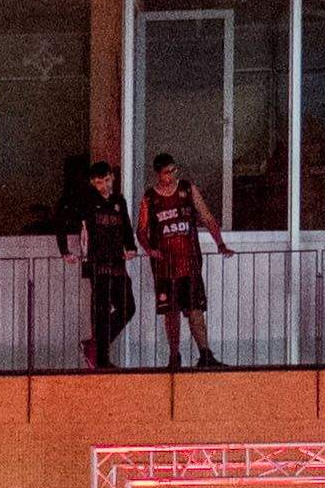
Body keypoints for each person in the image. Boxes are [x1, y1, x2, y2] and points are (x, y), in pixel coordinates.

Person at [141, 153, 227, 369]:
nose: (170, 176)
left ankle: (205, 353)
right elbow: (141, 230)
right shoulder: (150, 198)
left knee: (195, 309)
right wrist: (150, 250)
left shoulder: (187, 189)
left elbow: (207, 217)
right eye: (166, 172)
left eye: (173, 171)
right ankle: (174, 356)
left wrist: (220, 243)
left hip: (189, 264)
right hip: (165, 267)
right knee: (171, 312)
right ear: (158, 174)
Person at [65, 160, 139, 369]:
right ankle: (102, 360)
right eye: (99, 183)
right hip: (97, 264)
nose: (104, 186)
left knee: (128, 308)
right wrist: (65, 250)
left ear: (112, 177)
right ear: (92, 183)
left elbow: (126, 226)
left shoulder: (119, 201)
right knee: (101, 312)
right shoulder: (86, 202)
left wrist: (131, 247)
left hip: (117, 262)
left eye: (107, 180)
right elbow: (63, 216)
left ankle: (95, 345)